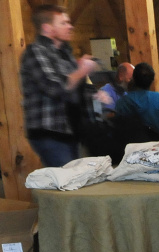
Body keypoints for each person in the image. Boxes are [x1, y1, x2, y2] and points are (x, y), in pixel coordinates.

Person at [19, 4, 100, 167]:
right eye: (63, 23)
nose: (70, 26)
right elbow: (54, 87)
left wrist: (95, 95)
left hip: (70, 131)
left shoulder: (65, 54)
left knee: (77, 183)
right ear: (47, 28)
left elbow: (74, 87)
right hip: (50, 133)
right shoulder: (35, 52)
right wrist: (82, 70)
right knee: (68, 185)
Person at [115, 62, 159, 138]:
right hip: (156, 146)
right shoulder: (158, 98)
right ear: (152, 81)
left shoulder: (121, 102)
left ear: (133, 78)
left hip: (130, 146)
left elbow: (119, 130)